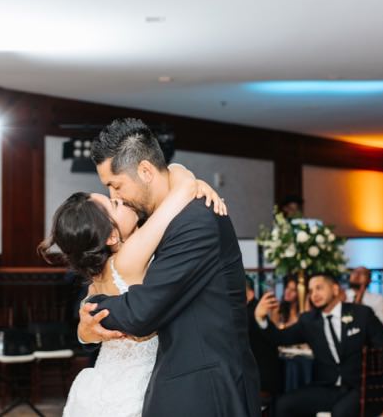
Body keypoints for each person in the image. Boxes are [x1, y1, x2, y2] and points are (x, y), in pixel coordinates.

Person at [78, 118, 260, 415]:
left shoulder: (195, 221)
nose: (115, 197)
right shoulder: (163, 217)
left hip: (207, 389)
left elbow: (142, 312)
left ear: (146, 171)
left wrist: (93, 304)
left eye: (116, 185)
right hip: (181, 382)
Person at [40, 158, 227, 417]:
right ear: (111, 236)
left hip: (104, 379)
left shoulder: (98, 275)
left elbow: (90, 325)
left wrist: (85, 334)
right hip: (133, 385)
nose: (121, 199)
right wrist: (181, 172)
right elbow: (181, 191)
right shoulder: (129, 257)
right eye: (114, 204)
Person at [250, 269, 383, 417]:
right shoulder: (309, 321)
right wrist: (261, 318)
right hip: (328, 387)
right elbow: (280, 338)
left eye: (319, 288)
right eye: (311, 291)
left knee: (341, 412)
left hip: (361, 387)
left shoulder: (361, 314)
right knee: (282, 405)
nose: (314, 294)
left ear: (335, 289)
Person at [348, 266, 383, 333]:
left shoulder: (378, 299)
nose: (357, 275)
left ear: (369, 280)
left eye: (362, 273)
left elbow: (382, 324)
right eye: (354, 272)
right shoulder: (342, 297)